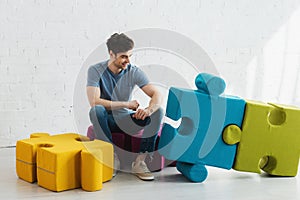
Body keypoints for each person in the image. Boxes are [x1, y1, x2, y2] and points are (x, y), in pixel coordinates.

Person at [86, 33, 164, 181]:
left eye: (129, 56)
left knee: (158, 111)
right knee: (96, 110)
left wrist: (148, 110)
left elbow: (156, 94)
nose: (127, 61)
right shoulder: (95, 70)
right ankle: (112, 158)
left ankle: (140, 162)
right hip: (107, 120)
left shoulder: (133, 71)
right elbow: (94, 101)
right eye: (123, 56)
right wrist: (126, 104)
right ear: (111, 54)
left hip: (127, 120)